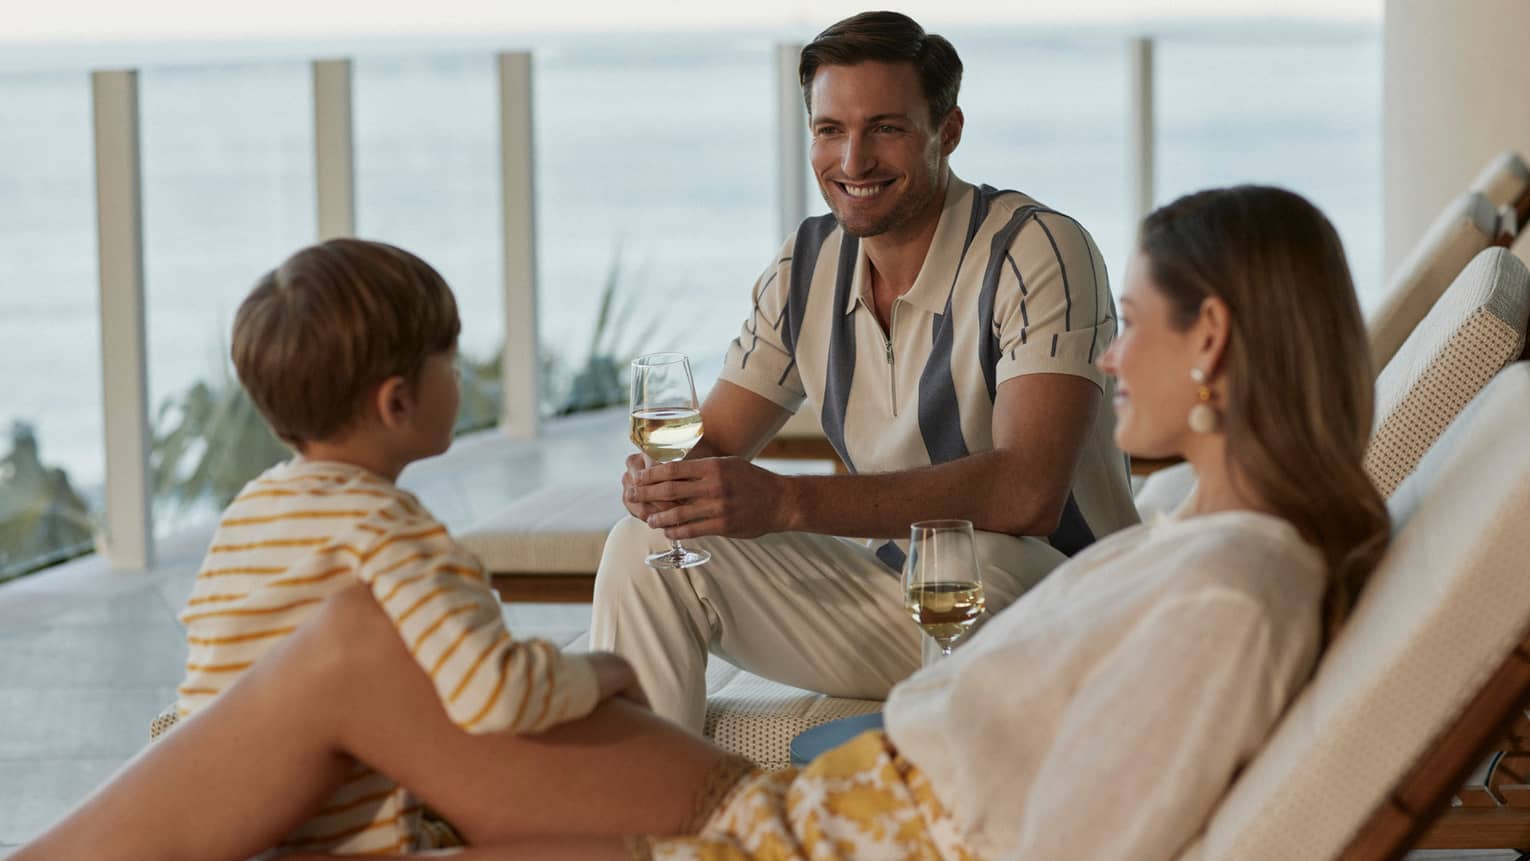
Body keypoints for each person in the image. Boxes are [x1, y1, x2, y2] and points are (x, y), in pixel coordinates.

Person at [18, 185, 1389, 860]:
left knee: (347, 650)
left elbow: (1088, 838)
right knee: (362, 660)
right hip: (814, 803)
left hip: (821, 837)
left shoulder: (1225, 591)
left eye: (1128, 329)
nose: (1100, 359)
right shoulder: (1202, 542)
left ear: (1210, 339)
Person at [592, 11, 1140, 732]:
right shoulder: (806, 266)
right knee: (647, 546)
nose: (852, 161)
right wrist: (672, 482)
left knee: (967, 555)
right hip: (898, 590)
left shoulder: (1037, 249)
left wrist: (788, 503)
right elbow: (716, 444)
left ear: (946, 132)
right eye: (830, 130)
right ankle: (641, 819)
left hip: (1059, 604)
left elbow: (1028, 492)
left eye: (885, 128)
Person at [144, 238, 648, 855]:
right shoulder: (392, 532)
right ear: (398, 402)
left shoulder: (244, 517)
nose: (460, 376)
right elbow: (496, 692)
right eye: (450, 361)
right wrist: (604, 671)